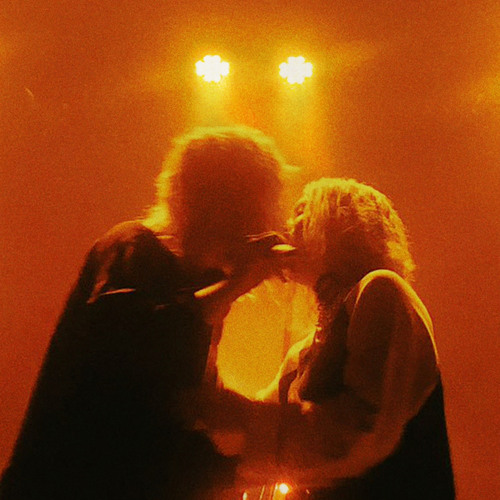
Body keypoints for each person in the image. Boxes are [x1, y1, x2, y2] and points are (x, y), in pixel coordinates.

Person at [0, 125, 290, 500]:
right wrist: (235, 286)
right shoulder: (131, 247)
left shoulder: (198, 291)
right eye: (246, 210)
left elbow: (171, 420)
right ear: (209, 203)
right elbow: (136, 343)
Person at [204, 177, 455, 500]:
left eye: (303, 214)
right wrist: (231, 290)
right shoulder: (303, 353)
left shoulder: (381, 289)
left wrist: (237, 420)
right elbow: (235, 432)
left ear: (341, 228)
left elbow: (359, 432)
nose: (287, 228)